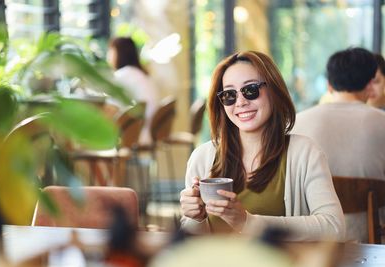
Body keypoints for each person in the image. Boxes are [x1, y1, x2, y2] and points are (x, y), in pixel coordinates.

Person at [179, 51, 345, 241]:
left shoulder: (304, 153)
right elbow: (191, 245)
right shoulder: (202, 157)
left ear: (273, 91)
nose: (241, 102)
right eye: (229, 95)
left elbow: (334, 227)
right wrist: (196, 218)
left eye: (251, 89)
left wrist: (247, 222)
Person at [292, 47, 385, 242]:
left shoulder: (296, 124)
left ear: (329, 85)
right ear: (370, 85)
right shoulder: (382, 121)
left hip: (312, 240)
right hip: (372, 240)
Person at [107, 37, 159, 145]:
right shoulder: (143, 74)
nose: (108, 56)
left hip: (135, 133)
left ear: (119, 53)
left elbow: (111, 107)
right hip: (149, 131)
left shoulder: (122, 75)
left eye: (111, 51)